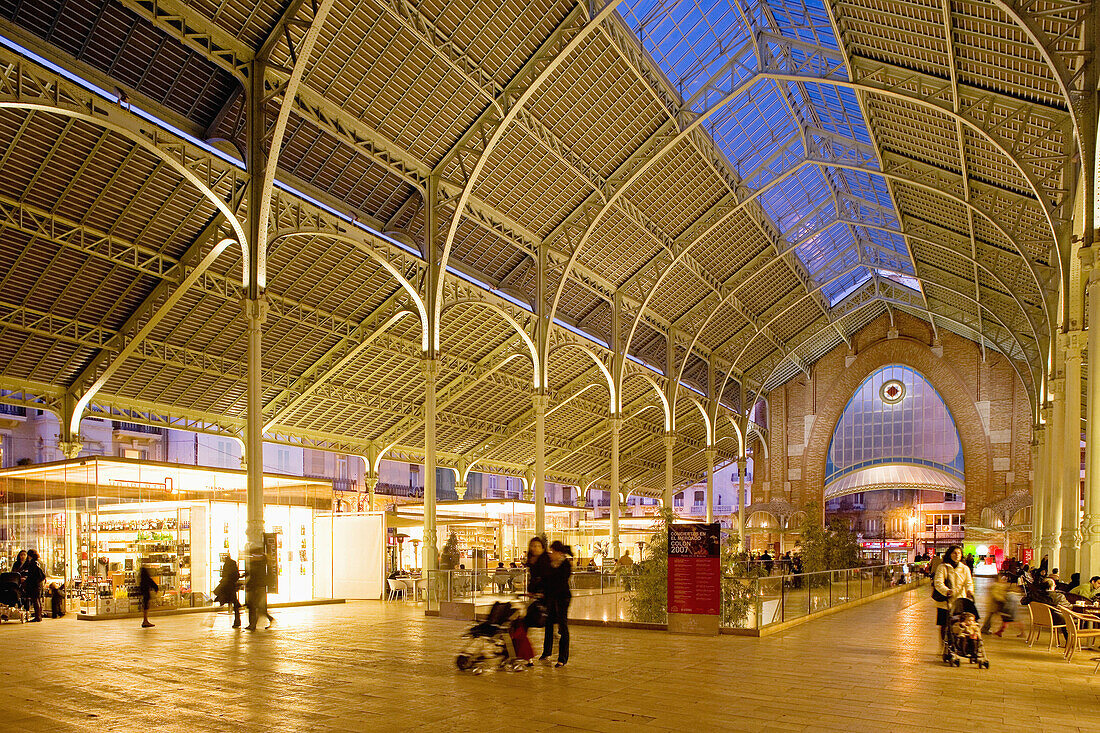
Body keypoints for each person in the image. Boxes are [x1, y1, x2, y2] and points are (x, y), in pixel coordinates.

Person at [540, 541, 572, 667]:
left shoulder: (565, 565)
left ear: (559, 552)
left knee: (562, 626)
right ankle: (546, 652)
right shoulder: (549, 564)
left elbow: (561, 583)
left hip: (562, 599)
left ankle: (562, 658)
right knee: (548, 624)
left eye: (552, 551)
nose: (550, 554)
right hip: (551, 599)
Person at [933, 545, 974, 643]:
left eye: (959, 553)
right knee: (944, 625)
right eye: (954, 553)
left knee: (958, 624)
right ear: (950, 554)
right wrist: (946, 591)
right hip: (944, 602)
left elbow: (969, 582)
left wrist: (969, 591)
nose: (957, 555)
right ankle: (945, 644)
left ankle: (956, 644)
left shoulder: (964, 568)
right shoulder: (942, 567)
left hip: (959, 601)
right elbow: (938, 582)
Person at [244, 548, 275, 631]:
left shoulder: (259, 564)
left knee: (254, 606)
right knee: (256, 606)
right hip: (257, 587)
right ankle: (254, 624)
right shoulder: (259, 563)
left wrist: (249, 584)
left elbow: (255, 576)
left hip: (257, 587)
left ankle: (253, 625)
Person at [214, 553, 242, 628]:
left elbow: (225, 575)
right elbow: (236, 575)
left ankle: (237, 621)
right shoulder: (232, 564)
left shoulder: (226, 565)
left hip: (228, 586)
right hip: (231, 586)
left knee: (233, 602)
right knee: (234, 602)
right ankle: (237, 621)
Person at [23, 549, 46, 622]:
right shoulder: (38, 562)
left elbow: (32, 574)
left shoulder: (32, 563)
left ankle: (37, 616)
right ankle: (39, 616)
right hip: (38, 584)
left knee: (35, 600)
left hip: (34, 584)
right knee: (38, 600)